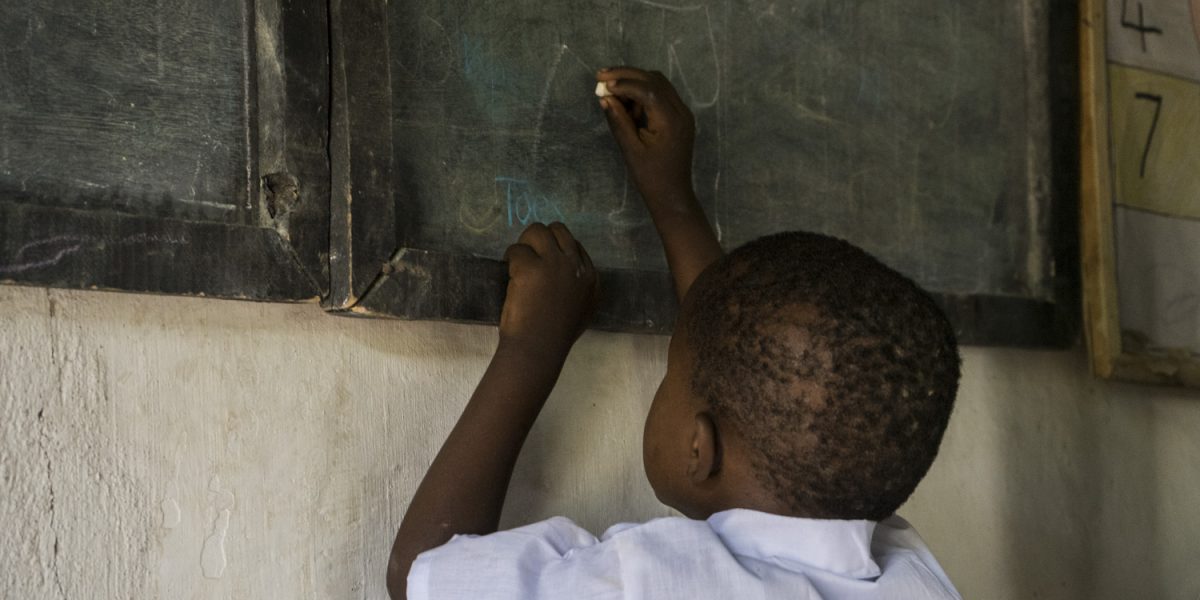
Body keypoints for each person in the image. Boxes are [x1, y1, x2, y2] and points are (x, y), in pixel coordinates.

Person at [386, 67, 962, 600]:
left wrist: (530, 352)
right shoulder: (909, 572)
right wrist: (673, 202)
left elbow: (422, 573)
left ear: (699, 448)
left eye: (670, 373)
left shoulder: (651, 582)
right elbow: (735, 349)